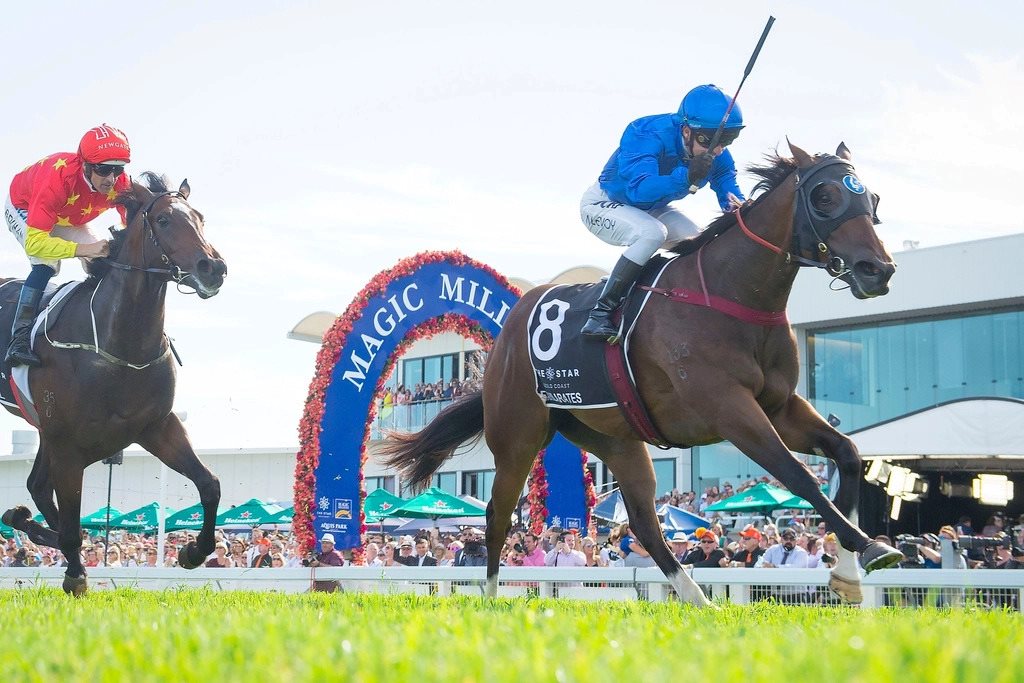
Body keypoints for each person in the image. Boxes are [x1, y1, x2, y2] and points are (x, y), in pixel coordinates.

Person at [579, 84, 745, 340]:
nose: (718, 149)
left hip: (653, 209)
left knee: (699, 243)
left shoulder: (714, 150)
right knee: (651, 233)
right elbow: (639, 190)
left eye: (727, 140)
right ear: (686, 130)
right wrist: (686, 176)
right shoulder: (645, 133)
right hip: (604, 204)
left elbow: (726, 180)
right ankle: (600, 313)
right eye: (709, 140)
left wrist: (736, 205)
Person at [5, 124, 131, 366]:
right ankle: (18, 338)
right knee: (47, 264)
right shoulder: (58, 180)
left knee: (103, 260)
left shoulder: (120, 183)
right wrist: (83, 250)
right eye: (104, 170)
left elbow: (132, 224)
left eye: (117, 169)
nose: (111, 179)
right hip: (25, 206)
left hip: (67, 215)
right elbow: (35, 244)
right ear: (85, 164)